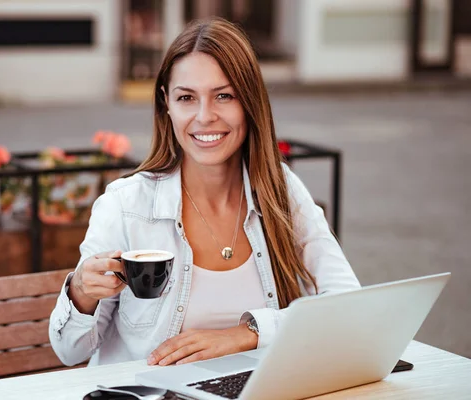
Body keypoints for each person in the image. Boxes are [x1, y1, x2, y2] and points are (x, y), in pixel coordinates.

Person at [49, 17, 360, 367]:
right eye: (186, 98)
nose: (204, 116)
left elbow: (346, 304)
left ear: (250, 102)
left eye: (223, 96)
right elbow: (69, 351)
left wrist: (247, 335)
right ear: (166, 104)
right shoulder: (125, 204)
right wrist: (81, 292)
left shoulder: (280, 190)